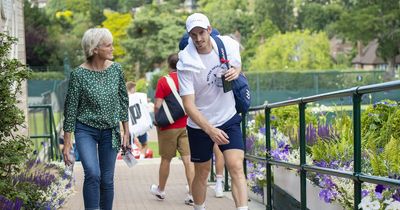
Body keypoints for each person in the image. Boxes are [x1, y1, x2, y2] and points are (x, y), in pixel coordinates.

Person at [177, 13, 248, 210]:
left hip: (228, 116)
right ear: (189, 35)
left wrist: (236, 70)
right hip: (200, 124)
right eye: (193, 34)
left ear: (209, 29)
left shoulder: (227, 45)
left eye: (201, 33)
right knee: (202, 172)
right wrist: (209, 130)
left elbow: (237, 63)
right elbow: (188, 105)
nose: (198, 39)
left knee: (236, 167)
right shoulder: (185, 63)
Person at [62, 28, 130, 210]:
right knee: (93, 173)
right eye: (108, 45)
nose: (112, 48)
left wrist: (126, 131)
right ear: (95, 49)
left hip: (110, 130)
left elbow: (123, 101)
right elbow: (71, 109)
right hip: (86, 130)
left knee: (107, 179)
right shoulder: (78, 74)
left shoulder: (116, 69)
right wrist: (67, 142)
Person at [150, 53, 195, 205]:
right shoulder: (188, 79)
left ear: (169, 65)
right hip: (188, 124)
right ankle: (192, 194)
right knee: (188, 160)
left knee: (166, 160)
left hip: (168, 127)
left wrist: (158, 119)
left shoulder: (164, 81)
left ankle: (161, 190)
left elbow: (157, 105)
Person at [126, 81, 150, 159]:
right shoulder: (140, 96)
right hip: (140, 124)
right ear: (132, 88)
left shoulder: (123, 99)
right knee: (144, 144)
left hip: (129, 126)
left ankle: (129, 162)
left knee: (126, 146)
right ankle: (142, 158)